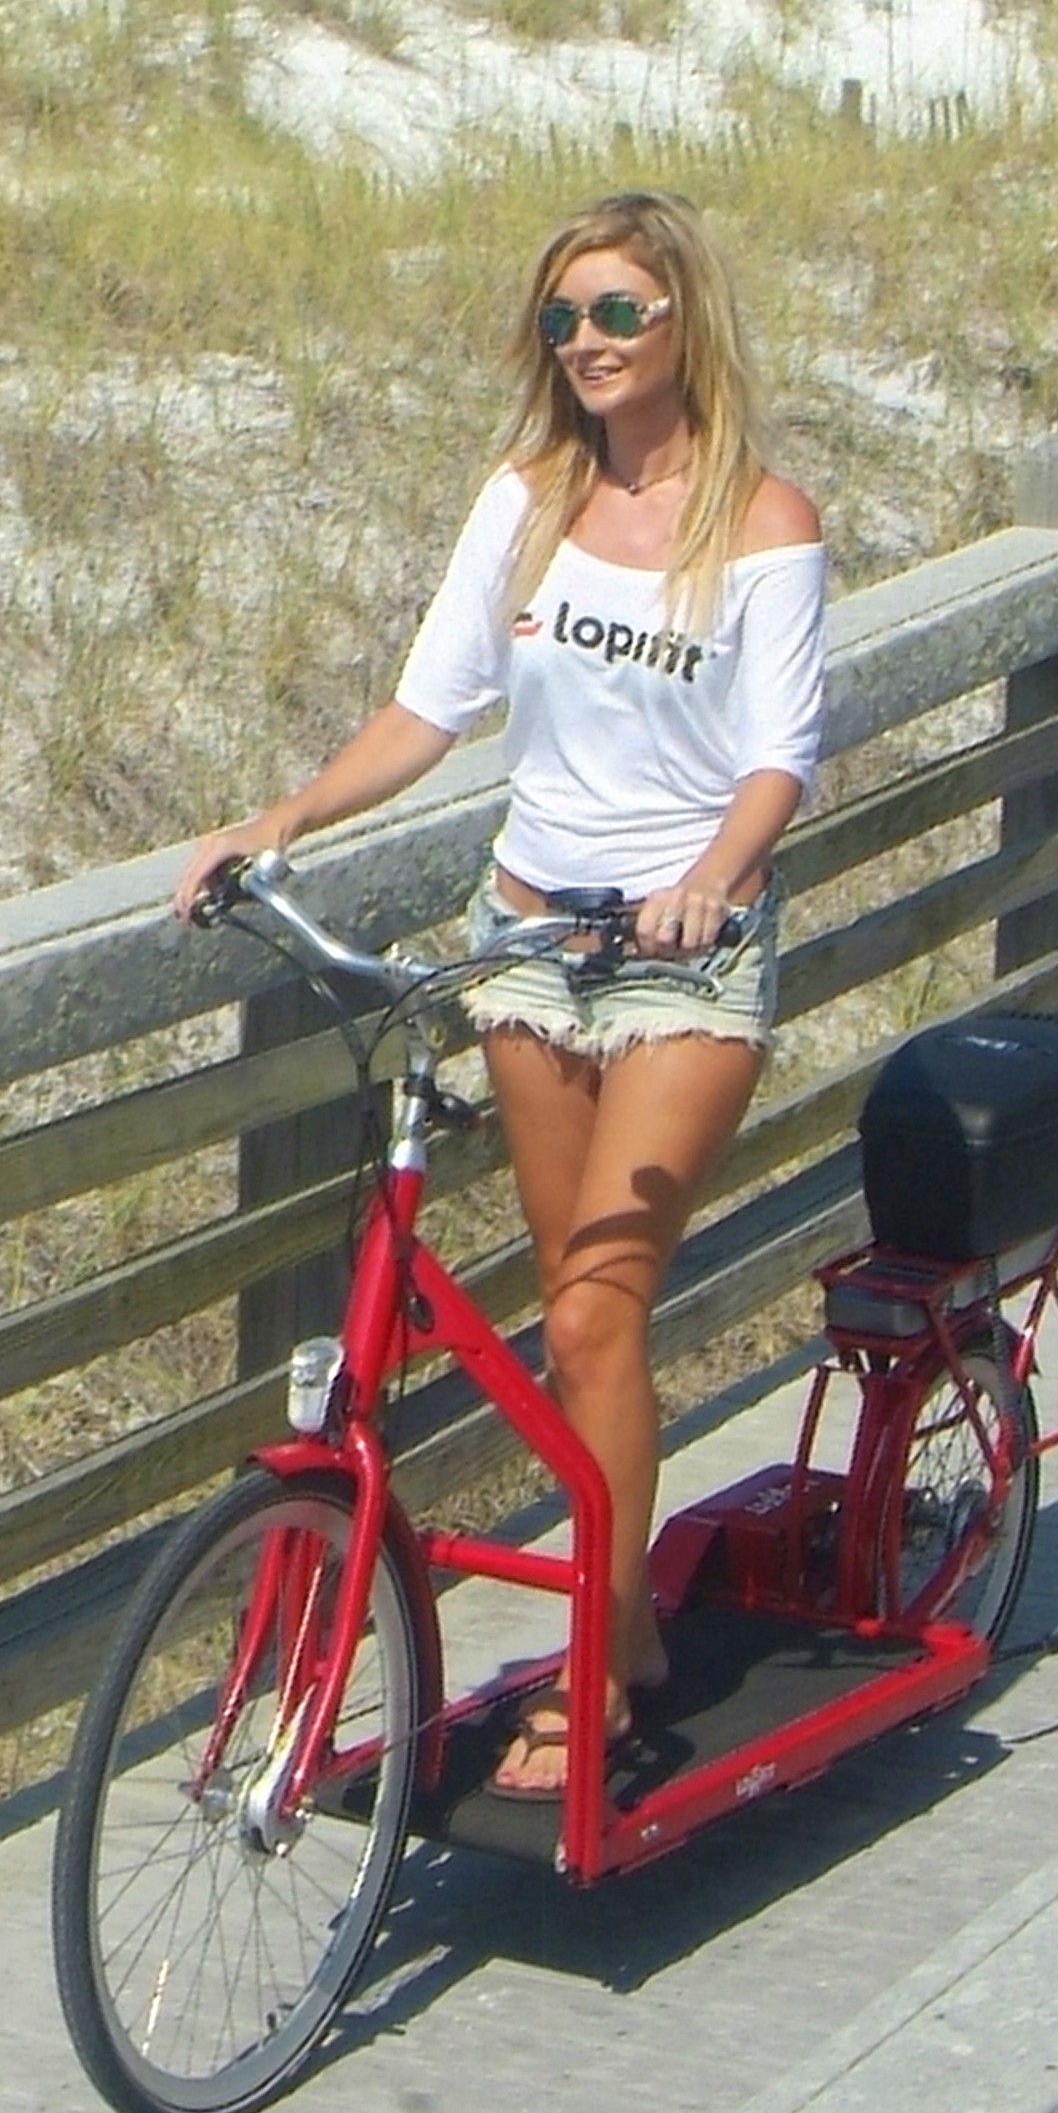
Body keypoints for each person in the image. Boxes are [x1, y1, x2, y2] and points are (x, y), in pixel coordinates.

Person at [172, 189, 824, 1797]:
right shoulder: (527, 501)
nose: (589, 343)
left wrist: (713, 879)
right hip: (527, 943)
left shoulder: (762, 522)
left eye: (619, 313)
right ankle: (633, 1627)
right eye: (563, 319)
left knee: (598, 1311)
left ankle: (598, 1676)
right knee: (564, 1307)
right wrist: (284, 819)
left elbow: (780, 758)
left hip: (680, 963)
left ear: (683, 320)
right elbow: (431, 710)